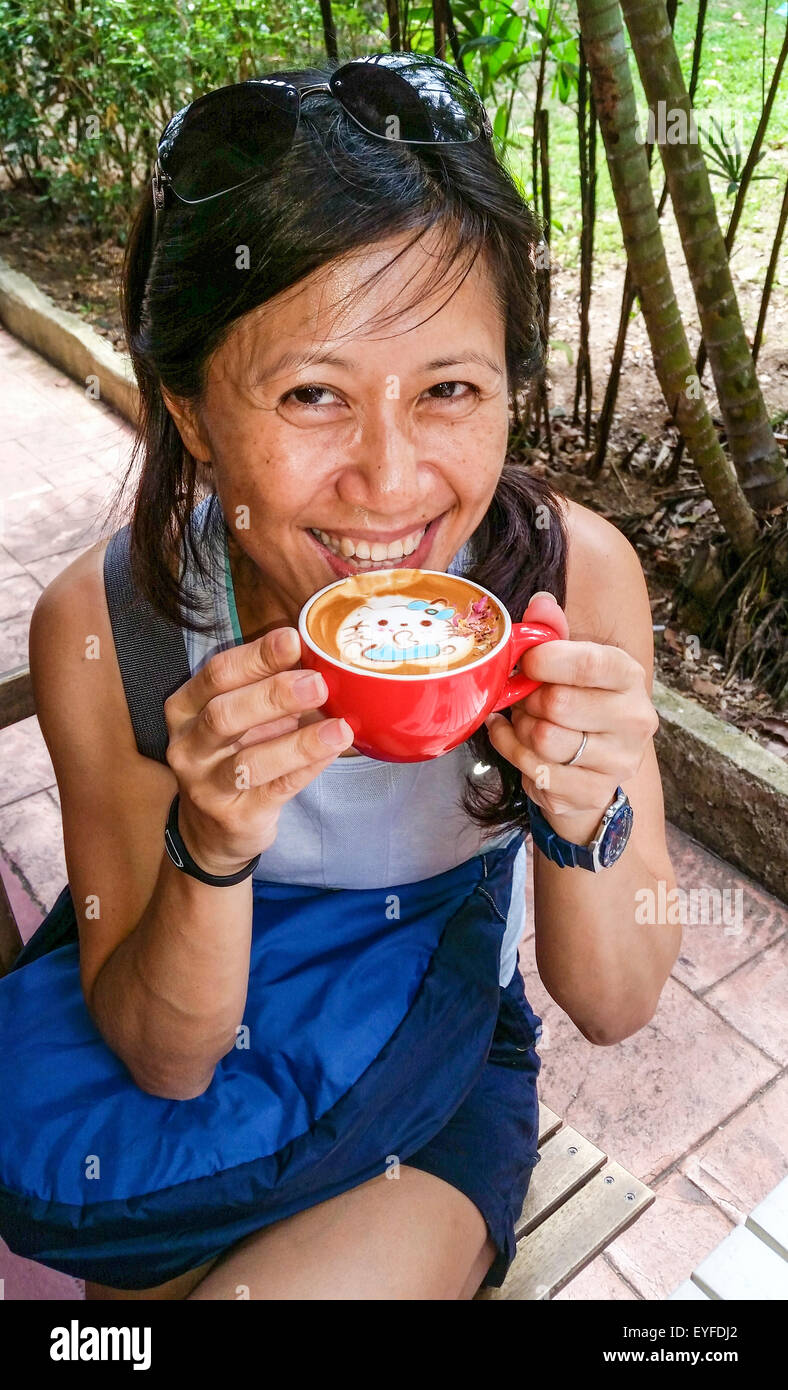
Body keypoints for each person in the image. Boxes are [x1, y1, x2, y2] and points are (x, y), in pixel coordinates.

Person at [2, 54, 679, 1300]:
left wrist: (588, 803)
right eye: (311, 392)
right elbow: (161, 1059)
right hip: (196, 1087)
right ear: (193, 415)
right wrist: (209, 844)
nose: (390, 480)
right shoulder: (107, 633)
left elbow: (616, 1002)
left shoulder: (570, 584)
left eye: (449, 391)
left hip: (433, 1067)